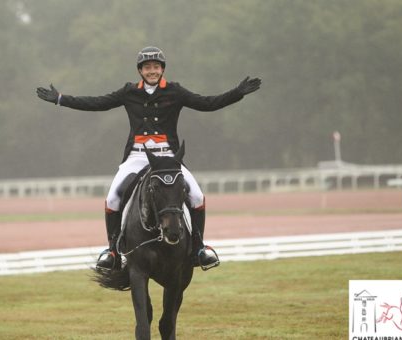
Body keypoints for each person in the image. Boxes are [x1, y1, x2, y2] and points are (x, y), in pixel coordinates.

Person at [36, 46, 261, 271]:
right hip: (137, 156)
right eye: (147, 67)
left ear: (162, 69)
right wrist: (60, 99)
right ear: (140, 71)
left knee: (197, 196)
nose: (152, 71)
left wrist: (237, 92)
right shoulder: (128, 92)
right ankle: (113, 251)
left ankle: (199, 248)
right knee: (113, 198)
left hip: (168, 157)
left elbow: (207, 103)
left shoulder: (175, 91)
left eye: (155, 67)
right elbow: (97, 103)